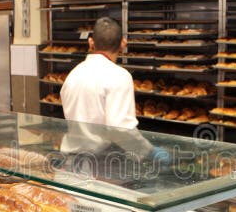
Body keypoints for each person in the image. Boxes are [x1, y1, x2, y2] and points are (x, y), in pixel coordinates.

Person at [60, 17, 163, 164]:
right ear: (123, 43)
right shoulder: (119, 76)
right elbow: (119, 128)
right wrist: (148, 151)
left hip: (69, 161)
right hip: (101, 164)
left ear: (91, 43)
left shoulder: (73, 74)